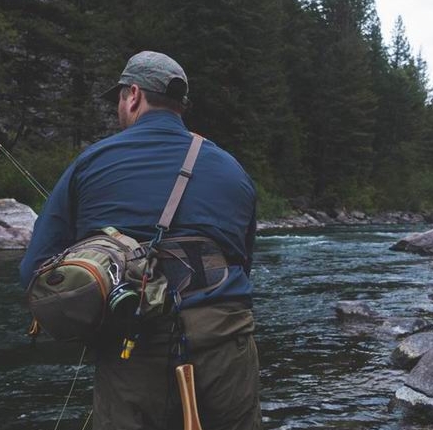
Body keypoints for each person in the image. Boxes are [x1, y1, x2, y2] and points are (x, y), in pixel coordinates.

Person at [20, 51, 261, 430]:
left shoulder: (91, 162)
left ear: (133, 95)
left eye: (119, 97)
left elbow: (35, 271)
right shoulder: (233, 170)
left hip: (130, 348)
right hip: (225, 343)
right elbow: (243, 264)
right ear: (180, 105)